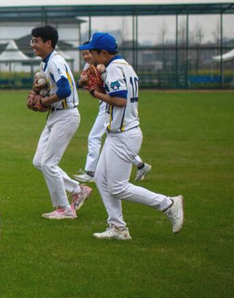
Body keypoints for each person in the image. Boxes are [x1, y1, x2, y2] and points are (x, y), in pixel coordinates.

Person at [79, 32, 184, 241]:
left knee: (118, 187)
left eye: (94, 52)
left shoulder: (116, 68)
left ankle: (168, 204)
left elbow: (120, 101)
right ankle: (118, 227)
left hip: (125, 134)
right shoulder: (124, 65)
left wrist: (95, 93)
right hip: (118, 133)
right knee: (100, 178)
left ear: (104, 53)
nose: (91, 56)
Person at [29, 25, 92, 220]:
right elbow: (52, 87)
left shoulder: (55, 62)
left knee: (48, 163)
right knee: (39, 161)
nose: (33, 45)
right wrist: (38, 94)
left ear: (48, 43)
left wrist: (45, 101)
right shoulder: (46, 63)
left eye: (36, 41)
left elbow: (64, 90)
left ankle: (64, 208)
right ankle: (77, 189)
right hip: (56, 116)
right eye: (32, 41)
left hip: (66, 116)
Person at [73, 49, 152, 183]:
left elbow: (116, 96)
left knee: (94, 137)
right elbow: (81, 82)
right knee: (115, 140)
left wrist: (101, 76)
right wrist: (84, 81)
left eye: (88, 53)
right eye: (83, 54)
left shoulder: (108, 67)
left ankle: (90, 172)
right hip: (106, 105)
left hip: (110, 106)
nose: (86, 57)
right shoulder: (90, 66)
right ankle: (141, 165)